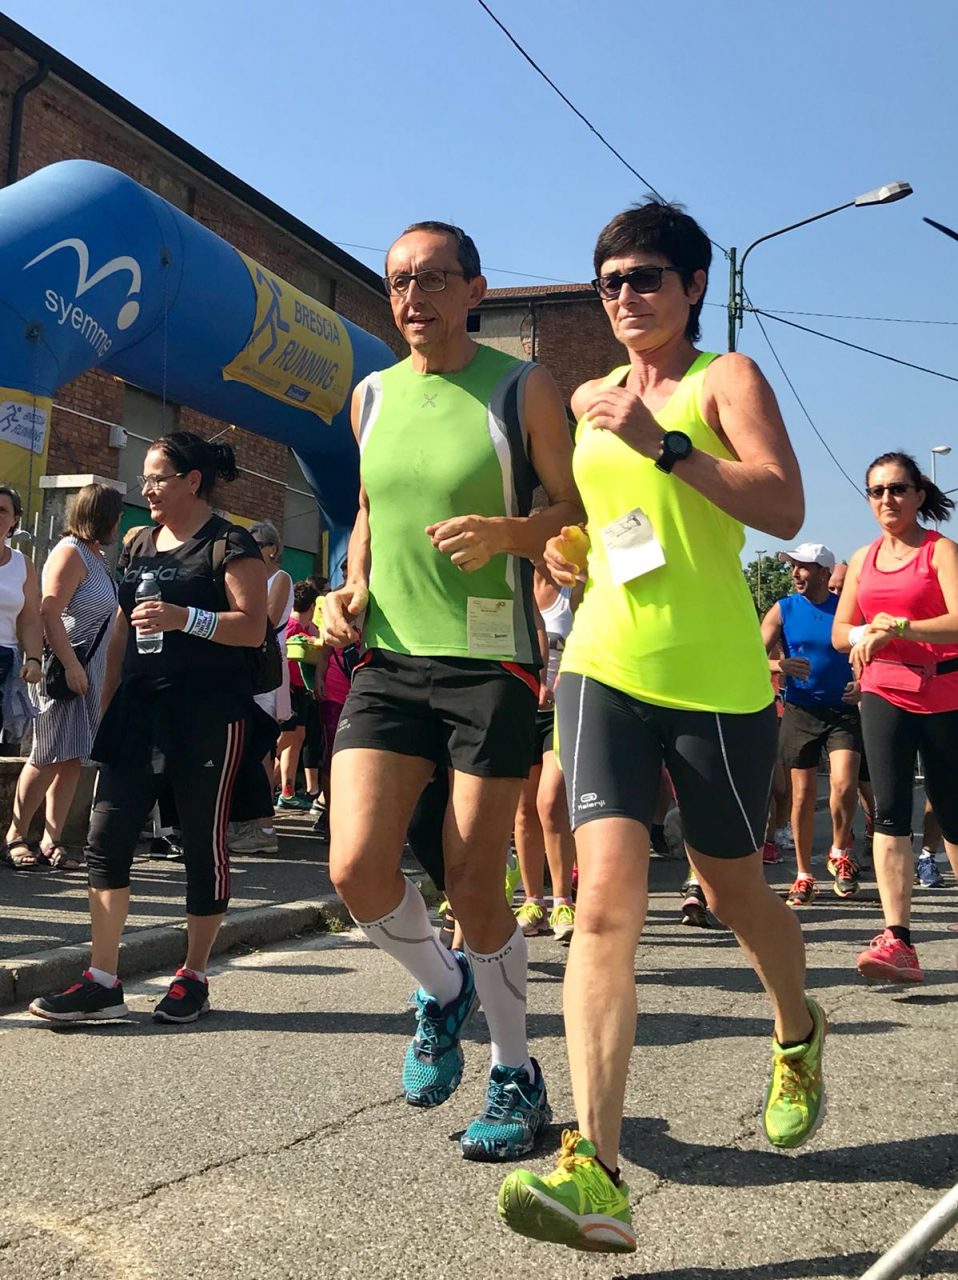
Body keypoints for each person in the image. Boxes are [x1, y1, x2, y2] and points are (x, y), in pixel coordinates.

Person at [498, 200, 826, 1255]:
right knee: (602, 905)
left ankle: (796, 1026)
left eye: (645, 277)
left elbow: (778, 503)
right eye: (609, 281)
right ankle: (594, 1165)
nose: (624, 296)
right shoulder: (590, 398)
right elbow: (607, 527)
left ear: (691, 285)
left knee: (735, 891)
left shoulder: (721, 380)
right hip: (602, 661)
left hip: (718, 679)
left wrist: (670, 442)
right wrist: (569, 552)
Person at [322, 219, 581, 1161]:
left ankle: (516, 1073)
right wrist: (350, 586)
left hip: (492, 660)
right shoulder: (371, 397)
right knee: (356, 869)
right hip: (389, 659)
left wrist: (509, 536)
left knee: (475, 881)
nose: (413, 298)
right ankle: (442, 989)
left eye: (433, 279)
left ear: (475, 288)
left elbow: (572, 509)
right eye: (398, 282)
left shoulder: (522, 387)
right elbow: (367, 516)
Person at [29, 432, 266, 1023]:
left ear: (191, 481)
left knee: (201, 844)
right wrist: (108, 708)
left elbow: (252, 628)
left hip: (208, 714)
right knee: (107, 838)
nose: (147, 489)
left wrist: (185, 617)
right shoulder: (136, 542)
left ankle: (193, 975)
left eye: (158, 478)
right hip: (137, 711)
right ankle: (102, 979)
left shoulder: (228, 542)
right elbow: (119, 633)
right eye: (144, 478)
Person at [833, 450, 958, 984]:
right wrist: (871, 634)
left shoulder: (940, 551)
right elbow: (843, 633)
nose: (887, 499)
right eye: (877, 491)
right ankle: (898, 940)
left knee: (952, 813)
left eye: (898, 489)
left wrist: (900, 627)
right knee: (889, 811)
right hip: (883, 691)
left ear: (919, 494)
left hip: (944, 693)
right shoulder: (862, 559)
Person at [6, 484, 122, 870]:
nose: (121, 522)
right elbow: (49, 610)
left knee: (70, 758)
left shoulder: (97, 557)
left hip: (88, 673)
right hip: (67, 672)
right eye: (117, 514)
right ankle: (16, 834)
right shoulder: (70, 552)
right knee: (45, 754)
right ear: (103, 515)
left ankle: (51, 840)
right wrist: (72, 664)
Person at [761, 543, 863, 903]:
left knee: (844, 783)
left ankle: (839, 852)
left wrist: (862, 685)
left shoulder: (848, 611)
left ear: (823, 571)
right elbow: (751, 656)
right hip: (801, 711)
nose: (794, 574)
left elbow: (872, 653)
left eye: (802, 567)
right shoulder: (783, 609)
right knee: (801, 797)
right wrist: (780, 666)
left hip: (842, 711)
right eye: (792, 567)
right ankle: (804, 875)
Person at [512, 565, 579, 941]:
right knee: (523, 810)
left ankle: (562, 901)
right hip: (521, 707)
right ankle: (532, 900)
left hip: (561, 709)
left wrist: (557, 680)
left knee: (551, 802)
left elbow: (589, 642)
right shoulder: (515, 585)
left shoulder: (574, 590)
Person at [0, 485, 42, 866]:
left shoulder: (21, 564)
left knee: (5, 753)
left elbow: (30, 617)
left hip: (7, 665)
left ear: (14, 520)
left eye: (2, 510)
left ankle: (9, 836)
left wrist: (34, 657)